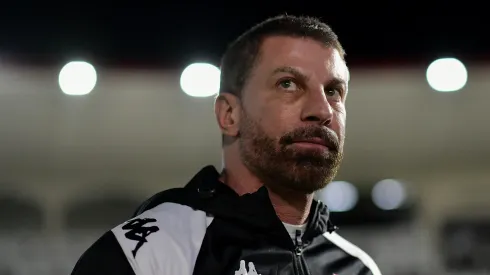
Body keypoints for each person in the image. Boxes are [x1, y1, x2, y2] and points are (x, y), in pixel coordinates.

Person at [71, 15, 382, 275]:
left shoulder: (359, 269)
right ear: (229, 114)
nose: (323, 110)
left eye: (333, 91)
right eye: (288, 84)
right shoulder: (145, 256)